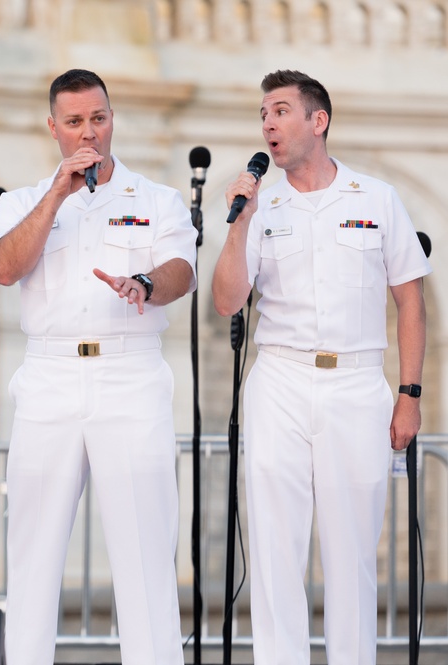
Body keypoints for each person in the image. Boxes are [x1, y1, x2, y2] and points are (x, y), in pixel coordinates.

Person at [212, 70, 430, 664]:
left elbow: (410, 300)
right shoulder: (260, 204)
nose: (268, 124)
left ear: (318, 120)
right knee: (275, 551)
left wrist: (408, 394)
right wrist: (239, 220)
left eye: (280, 111)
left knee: (352, 553)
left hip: (358, 383)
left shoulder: (376, 197)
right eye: (263, 114)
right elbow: (227, 300)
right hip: (278, 379)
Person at [0, 69, 195, 665]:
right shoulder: (22, 202)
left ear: (112, 119)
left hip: (129, 374)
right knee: (32, 551)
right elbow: (3, 268)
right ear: (53, 127)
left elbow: (183, 268)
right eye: (74, 121)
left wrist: (147, 283)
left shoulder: (158, 199)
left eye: (98, 118)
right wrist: (58, 194)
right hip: (50, 377)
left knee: (145, 550)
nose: (89, 132)